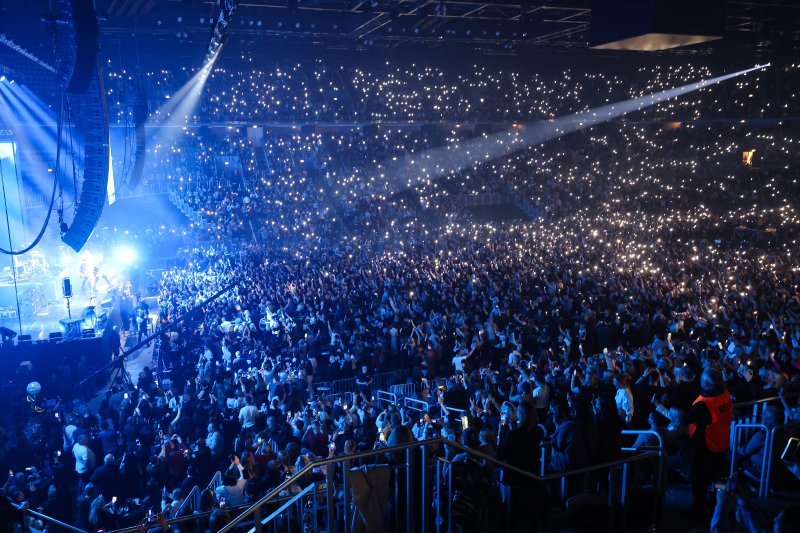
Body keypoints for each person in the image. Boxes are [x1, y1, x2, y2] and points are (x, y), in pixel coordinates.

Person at [685, 367, 732, 517]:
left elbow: (687, 418)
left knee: (700, 480)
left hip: (706, 446)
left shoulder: (704, 404)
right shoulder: (725, 394)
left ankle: (698, 510)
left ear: (705, 383)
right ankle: (715, 505)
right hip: (722, 442)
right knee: (717, 477)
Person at [497, 401, 547, 531]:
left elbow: (501, 454)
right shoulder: (538, 432)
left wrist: (502, 433)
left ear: (521, 414)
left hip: (514, 475)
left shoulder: (512, 434)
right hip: (532, 472)